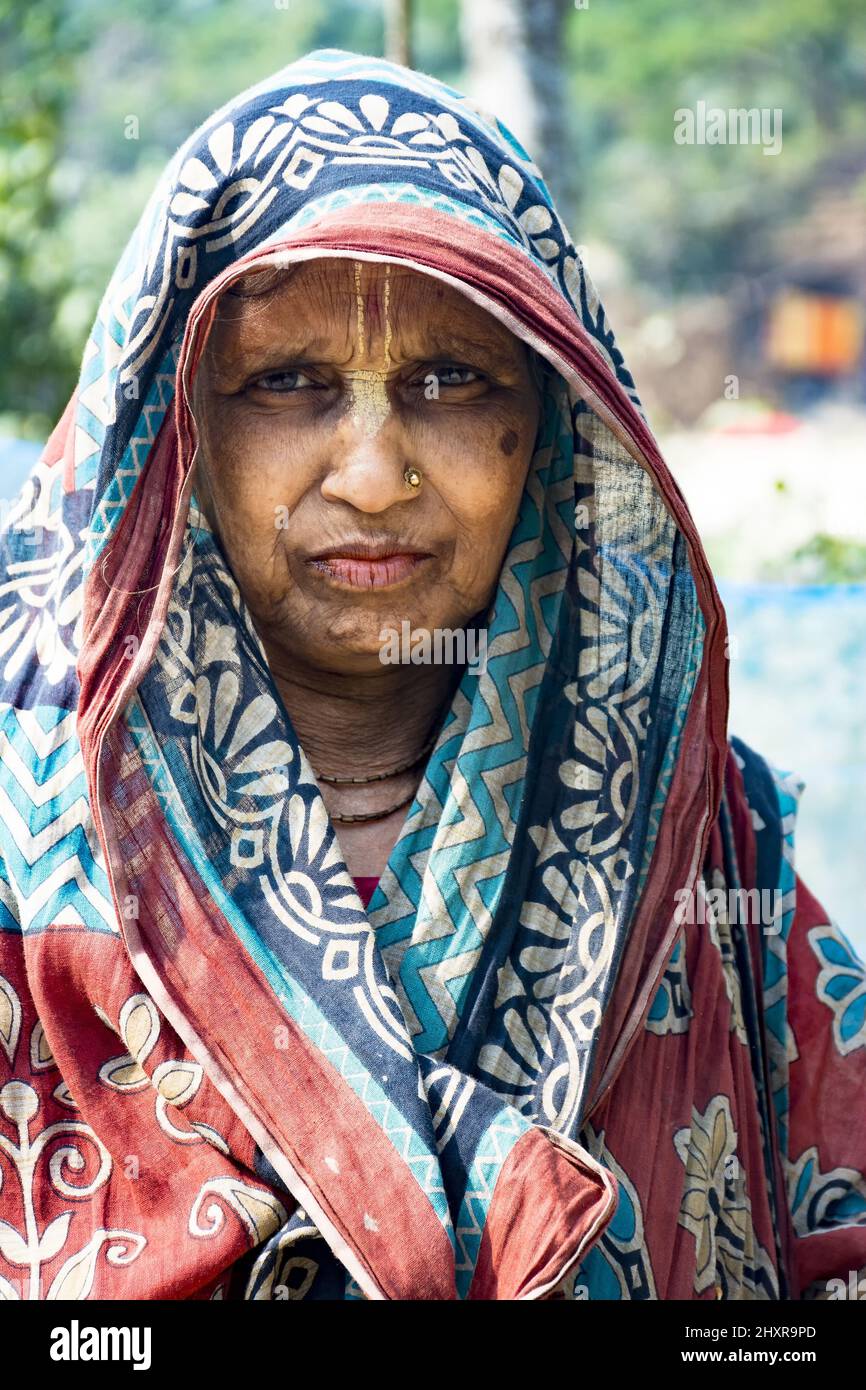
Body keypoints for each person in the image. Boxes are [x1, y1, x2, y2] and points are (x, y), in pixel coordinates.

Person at [0, 47, 863, 1302]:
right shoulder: (30, 860)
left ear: (551, 425)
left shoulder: (703, 841)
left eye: (449, 381)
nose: (371, 474)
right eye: (286, 383)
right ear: (177, 425)